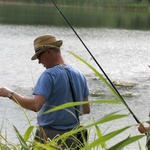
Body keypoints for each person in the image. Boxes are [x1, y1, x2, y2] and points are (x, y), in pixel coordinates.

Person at [0, 34, 90, 149]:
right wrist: (65, 113)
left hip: (50, 136)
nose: (39, 61)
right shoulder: (79, 74)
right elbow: (86, 109)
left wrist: (9, 94)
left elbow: (35, 106)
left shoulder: (49, 75)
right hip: (73, 137)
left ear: (48, 52)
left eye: (39, 56)